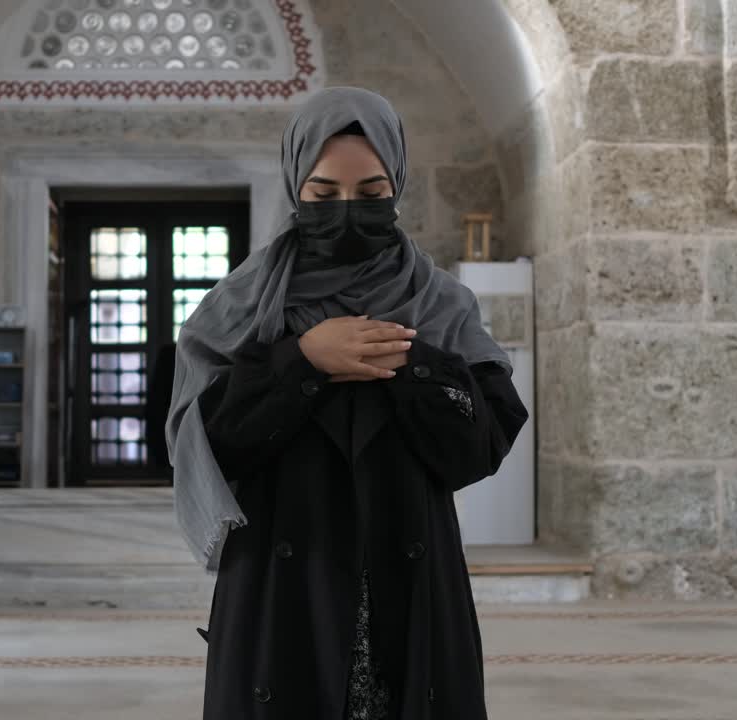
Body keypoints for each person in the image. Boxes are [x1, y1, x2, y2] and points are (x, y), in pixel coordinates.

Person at [166, 87, 529, 720]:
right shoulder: (241, 306)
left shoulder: (441, 305)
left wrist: (408, 363)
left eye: (371, 194)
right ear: (294, 186)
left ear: (398, 184)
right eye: (323, 194)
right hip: (284, 592)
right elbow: (209, 446)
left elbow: (480, 450)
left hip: (410, 589)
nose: (347, 212)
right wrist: (303, 361)